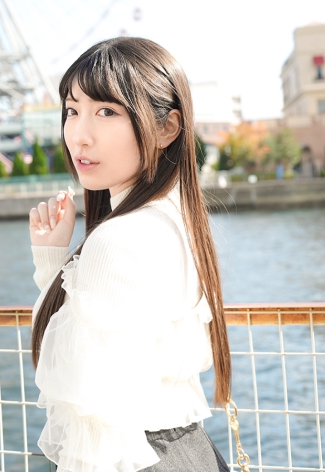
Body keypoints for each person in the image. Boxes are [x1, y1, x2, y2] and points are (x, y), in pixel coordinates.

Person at [27, 37, 231, 472]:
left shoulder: (117, 239)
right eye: (72, 111)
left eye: (106, 111)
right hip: (190, 451)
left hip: (135, 455)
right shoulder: (179, 220)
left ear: (167, 128)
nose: (79, 135)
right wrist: (55, 263)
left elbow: (79, 389)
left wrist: (50, 266)